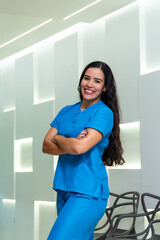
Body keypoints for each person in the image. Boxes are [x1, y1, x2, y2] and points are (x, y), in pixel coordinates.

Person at [42, 61, 124, 240]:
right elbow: (46, 146)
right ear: (80, 81)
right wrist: (69, 142)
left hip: (88, 192)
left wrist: (58, 137)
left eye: (97, 81)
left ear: (104, 88)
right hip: (64, 188)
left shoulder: (103, 113)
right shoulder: (66, 111)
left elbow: (79, 147)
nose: (89, 84)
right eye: (86, 78)